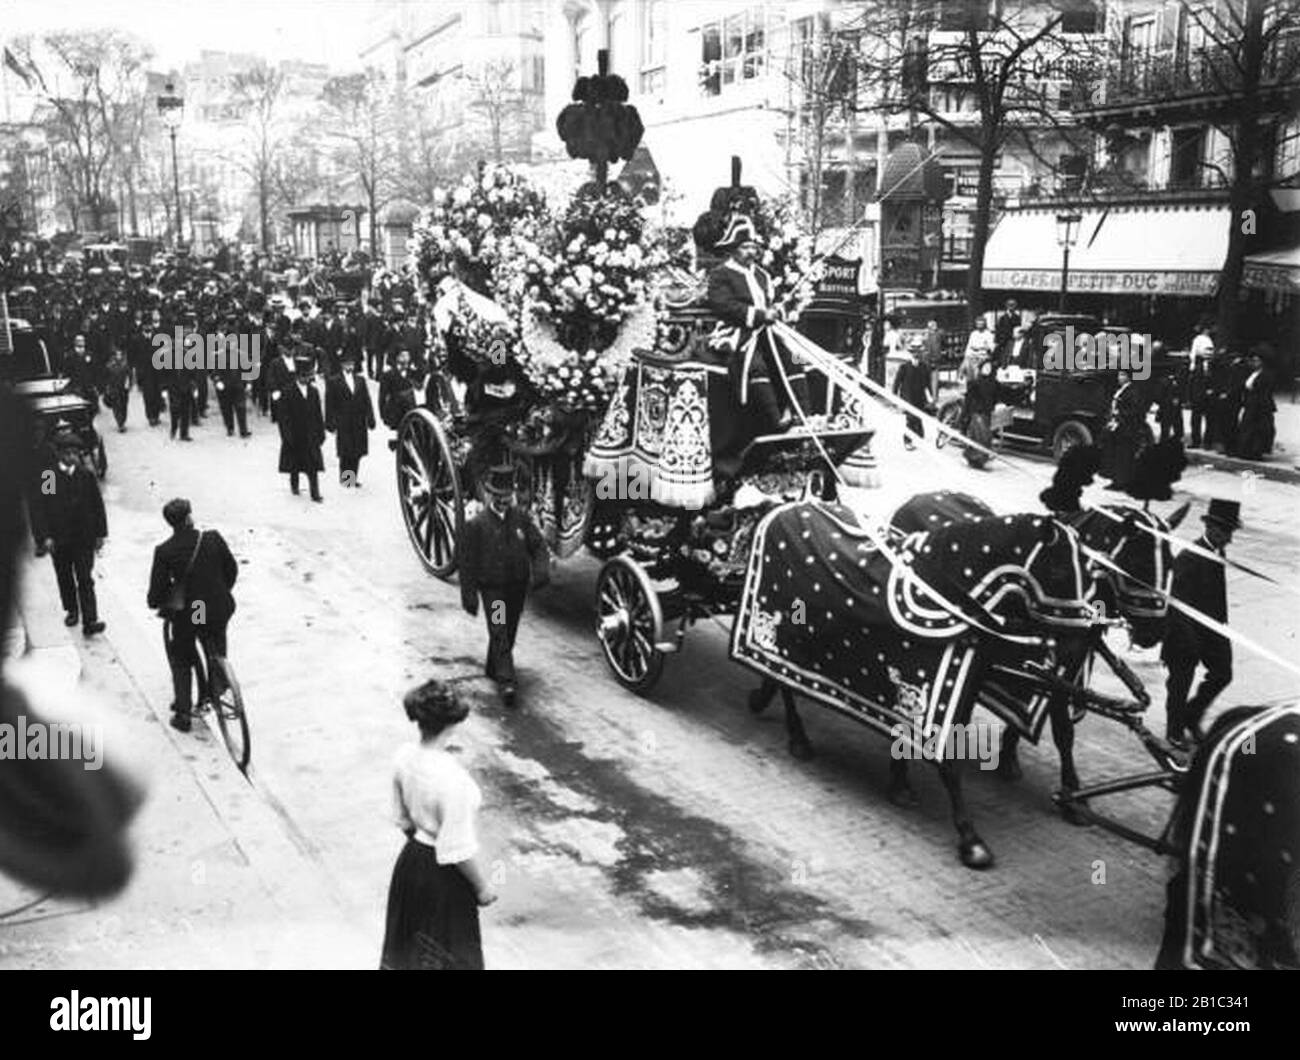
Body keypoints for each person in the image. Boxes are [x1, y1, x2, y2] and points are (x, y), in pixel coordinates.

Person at [380, 678, 495, 970]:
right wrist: (482, 888)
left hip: (410, 866)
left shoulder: (404, 757)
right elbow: (457, 849)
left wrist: (418, 839)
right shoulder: (453, 780)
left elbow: (402, 820)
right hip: (444, 881)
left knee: (409, 953)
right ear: (452, 724)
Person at [457, 465, 550, 708]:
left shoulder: (521, 519)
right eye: (498, 498)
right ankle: (507, 681)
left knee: (509, 631)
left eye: (507, 498)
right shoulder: (476, 525)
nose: (502, 502)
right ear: (489, 496)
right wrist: (469, 595)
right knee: (498, 628)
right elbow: (466, 564)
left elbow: (538, 545)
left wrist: (541, 572)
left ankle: (493, 666)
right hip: (493, 591)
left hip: (516, 588)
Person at [706, 214, 808, 432]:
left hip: (768, 333)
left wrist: (778, 311)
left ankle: (804, 416)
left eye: (753, 247)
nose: (751, 252)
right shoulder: (720, 274)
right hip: (736, 333)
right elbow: (724, 306)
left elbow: (774, 302)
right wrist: (760, 315)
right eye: (745, 247)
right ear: (733, 248)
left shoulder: (762, 275)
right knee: (755, 365)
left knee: (795, 359)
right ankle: (775, 421)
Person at [145, 499, 238, 734]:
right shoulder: (212, 538)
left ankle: (183, 713)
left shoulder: (165, 551)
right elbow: (231, 570)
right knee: (215, 640)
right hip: (219, 606)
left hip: (193, 612)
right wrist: (219, 590)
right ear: (189, 518)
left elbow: (155, 596)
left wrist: (168, 597)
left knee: (181, 655)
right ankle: (219, 683)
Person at [1162, 499, 1239, 748]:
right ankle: (1174, 731)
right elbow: (1178, 604)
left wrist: (1220, 628)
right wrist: (1189, 642)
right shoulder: (1189, 556)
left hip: (1211, 629)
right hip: (1184, 632)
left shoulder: (1218, 553)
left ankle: (1191, 716)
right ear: (1212, 528)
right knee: (1180, 682)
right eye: (1226, 532)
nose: (1229, 539)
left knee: (1223, 673)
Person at [28, 431, 107, 636]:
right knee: (64, 576)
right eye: (68, 453)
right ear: (60, 453)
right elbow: (40, 508)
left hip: (83, 538)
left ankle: (90, 620)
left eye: (76, 453)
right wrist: (44, 536)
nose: (73, 457)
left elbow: (97, 506)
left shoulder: (86, 475)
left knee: (85, 578)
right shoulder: (49, 477)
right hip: (59, 538)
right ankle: (72, 610)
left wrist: (100, 534)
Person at [325, 350, 376, 487]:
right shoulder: (334, 381)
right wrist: (330, 423)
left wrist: (370, 418)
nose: (350, 367)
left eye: (352, 364)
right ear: (342, 365)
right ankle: (347, 479)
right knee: (345, 451)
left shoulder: (360, 380)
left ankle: (353, 477)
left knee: (357, 451)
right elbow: (329, 404)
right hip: (343, 421)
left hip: (359, 420)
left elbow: (367, 400)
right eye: (347, 364)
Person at [278, 355, 326, 501]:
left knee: (312, 467)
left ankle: (315, 493)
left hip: (310, 435)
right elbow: (283, 418)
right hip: (295, 435)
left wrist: (321, 432)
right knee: (295, 464)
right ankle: (294, 485)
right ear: (297, 376)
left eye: (308, 376)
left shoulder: (313, 392)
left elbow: (318, 414)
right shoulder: (287, 392)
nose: (306, 379)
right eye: (303, 376)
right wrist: (287, 436)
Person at [893, 337, 933, 450]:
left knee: (919, 418)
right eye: (914, 352)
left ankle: (920, 438)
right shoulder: (904, 367)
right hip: (907, 397)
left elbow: (927, 384)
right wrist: (895, 398)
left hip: (919, 397)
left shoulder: (924, 367)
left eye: (918, 352)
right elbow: (897, 383)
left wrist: (930, 397)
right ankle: (907, 440)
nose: (916, 354)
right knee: (910, 419)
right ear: (911, 353)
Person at [1234, 350, 1275, 461]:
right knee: (1247, 427)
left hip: (1261, 405)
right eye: (1253, 361)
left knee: (1258, 429)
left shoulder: (1266, 374)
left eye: (1257, 361)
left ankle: (1256, 452)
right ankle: (1245, 450)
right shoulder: (1252, 373)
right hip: (1250, 404)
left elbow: (1265, 390)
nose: (1254, 363)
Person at [102, 346, 131, 433]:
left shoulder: (125, 364)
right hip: (114, 388)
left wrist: (128, 384)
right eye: (117, 354)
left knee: (124, 406)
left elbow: (129, 375)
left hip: (124, 388)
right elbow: (106, 377)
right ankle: (120, 424)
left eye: (120, 354)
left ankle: (123, 421)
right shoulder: (109, 365)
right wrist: (107, 388)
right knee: (116, 406)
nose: (119, 356)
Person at [1187, 352, 1209, 448]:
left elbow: (1194, 386)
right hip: (1202, 398)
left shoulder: (1197, 370)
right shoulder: (1204, 370)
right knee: (1204, 420)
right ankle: (1206, 442)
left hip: (1198, 398)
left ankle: (1196, 441)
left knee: (1195, 421)